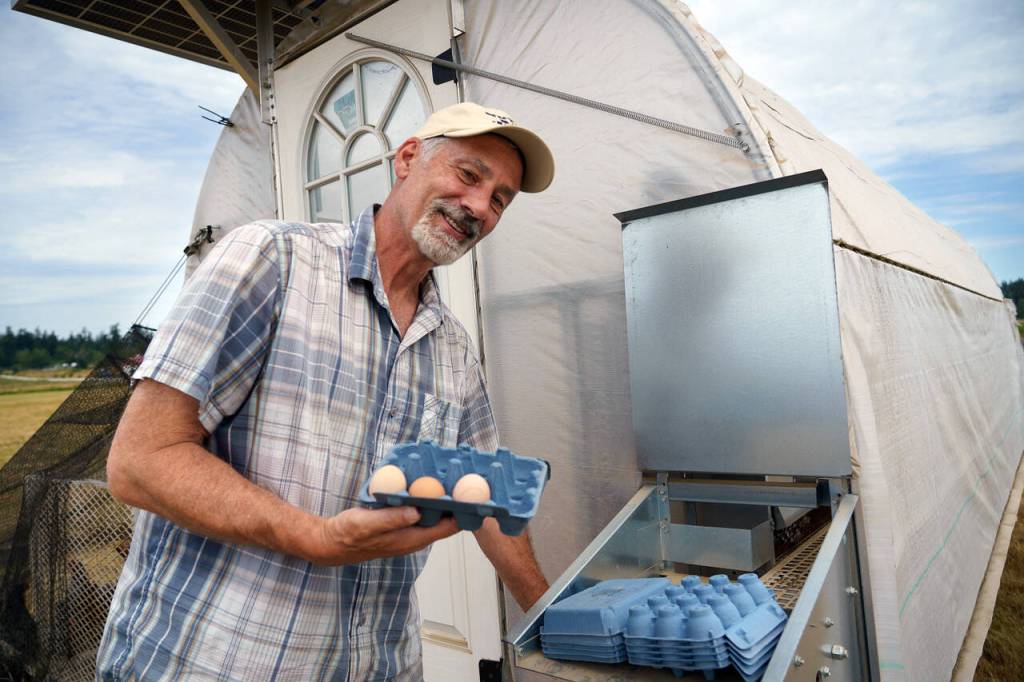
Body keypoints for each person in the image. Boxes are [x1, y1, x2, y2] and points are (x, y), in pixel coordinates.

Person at [96, 102, 555, 680]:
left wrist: (554, 622)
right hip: (215, 662)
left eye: (500, 200)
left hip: (376, 665)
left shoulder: (454, 349)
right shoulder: (272, 259)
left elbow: (487, 496)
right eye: (469, 175)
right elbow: (140, 462)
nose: (479, 207)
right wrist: (315, 537)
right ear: (408, 158)